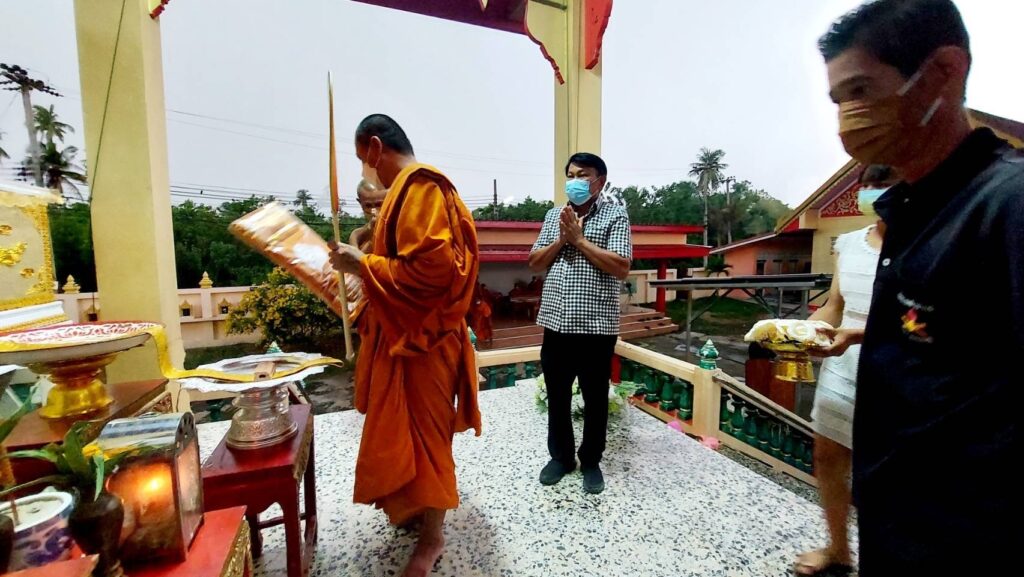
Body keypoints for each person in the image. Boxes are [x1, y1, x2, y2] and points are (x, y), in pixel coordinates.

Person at [819, 1, 1023, 573]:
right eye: (838, 100)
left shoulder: (1005, 209)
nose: (848, 118)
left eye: (861, 90)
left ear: (942, 72)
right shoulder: (913, 213)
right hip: (897, 524)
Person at [329, 113, 481, 577]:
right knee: (405, 437)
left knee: (429, 441)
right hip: (401, 338)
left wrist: (362, 265)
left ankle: (433, 537)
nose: (365, 170)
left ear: (376, 148)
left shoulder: (421, 188)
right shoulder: (403, 195)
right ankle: (414, 505)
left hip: (425, 344)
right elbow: (400, 261)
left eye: (363, 158)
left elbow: (433, 272)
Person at [796, 165, 893, 576]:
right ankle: (838, 549)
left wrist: (857, 335)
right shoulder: (849, 243)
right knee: (828, 455)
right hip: (842, 359)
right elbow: (835, 305)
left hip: (894, 361)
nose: (872, 193)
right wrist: (800, 332)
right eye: (865, 186)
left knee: (884, 472)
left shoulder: (925, 243)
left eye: (883, 184)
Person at [528, 152, 632, 494]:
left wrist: (580, 241)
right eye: (570, 175)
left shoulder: (615, 215)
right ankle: (561, 458)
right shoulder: (553, 216)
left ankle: (590, 461)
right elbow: (534, 262)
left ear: (600, 181)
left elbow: (621, 266)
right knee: (557, 396)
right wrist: (562, 238)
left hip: (595, 327)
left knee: (595, 398)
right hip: (556, 324)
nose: (574, 181)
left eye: (582, 174)